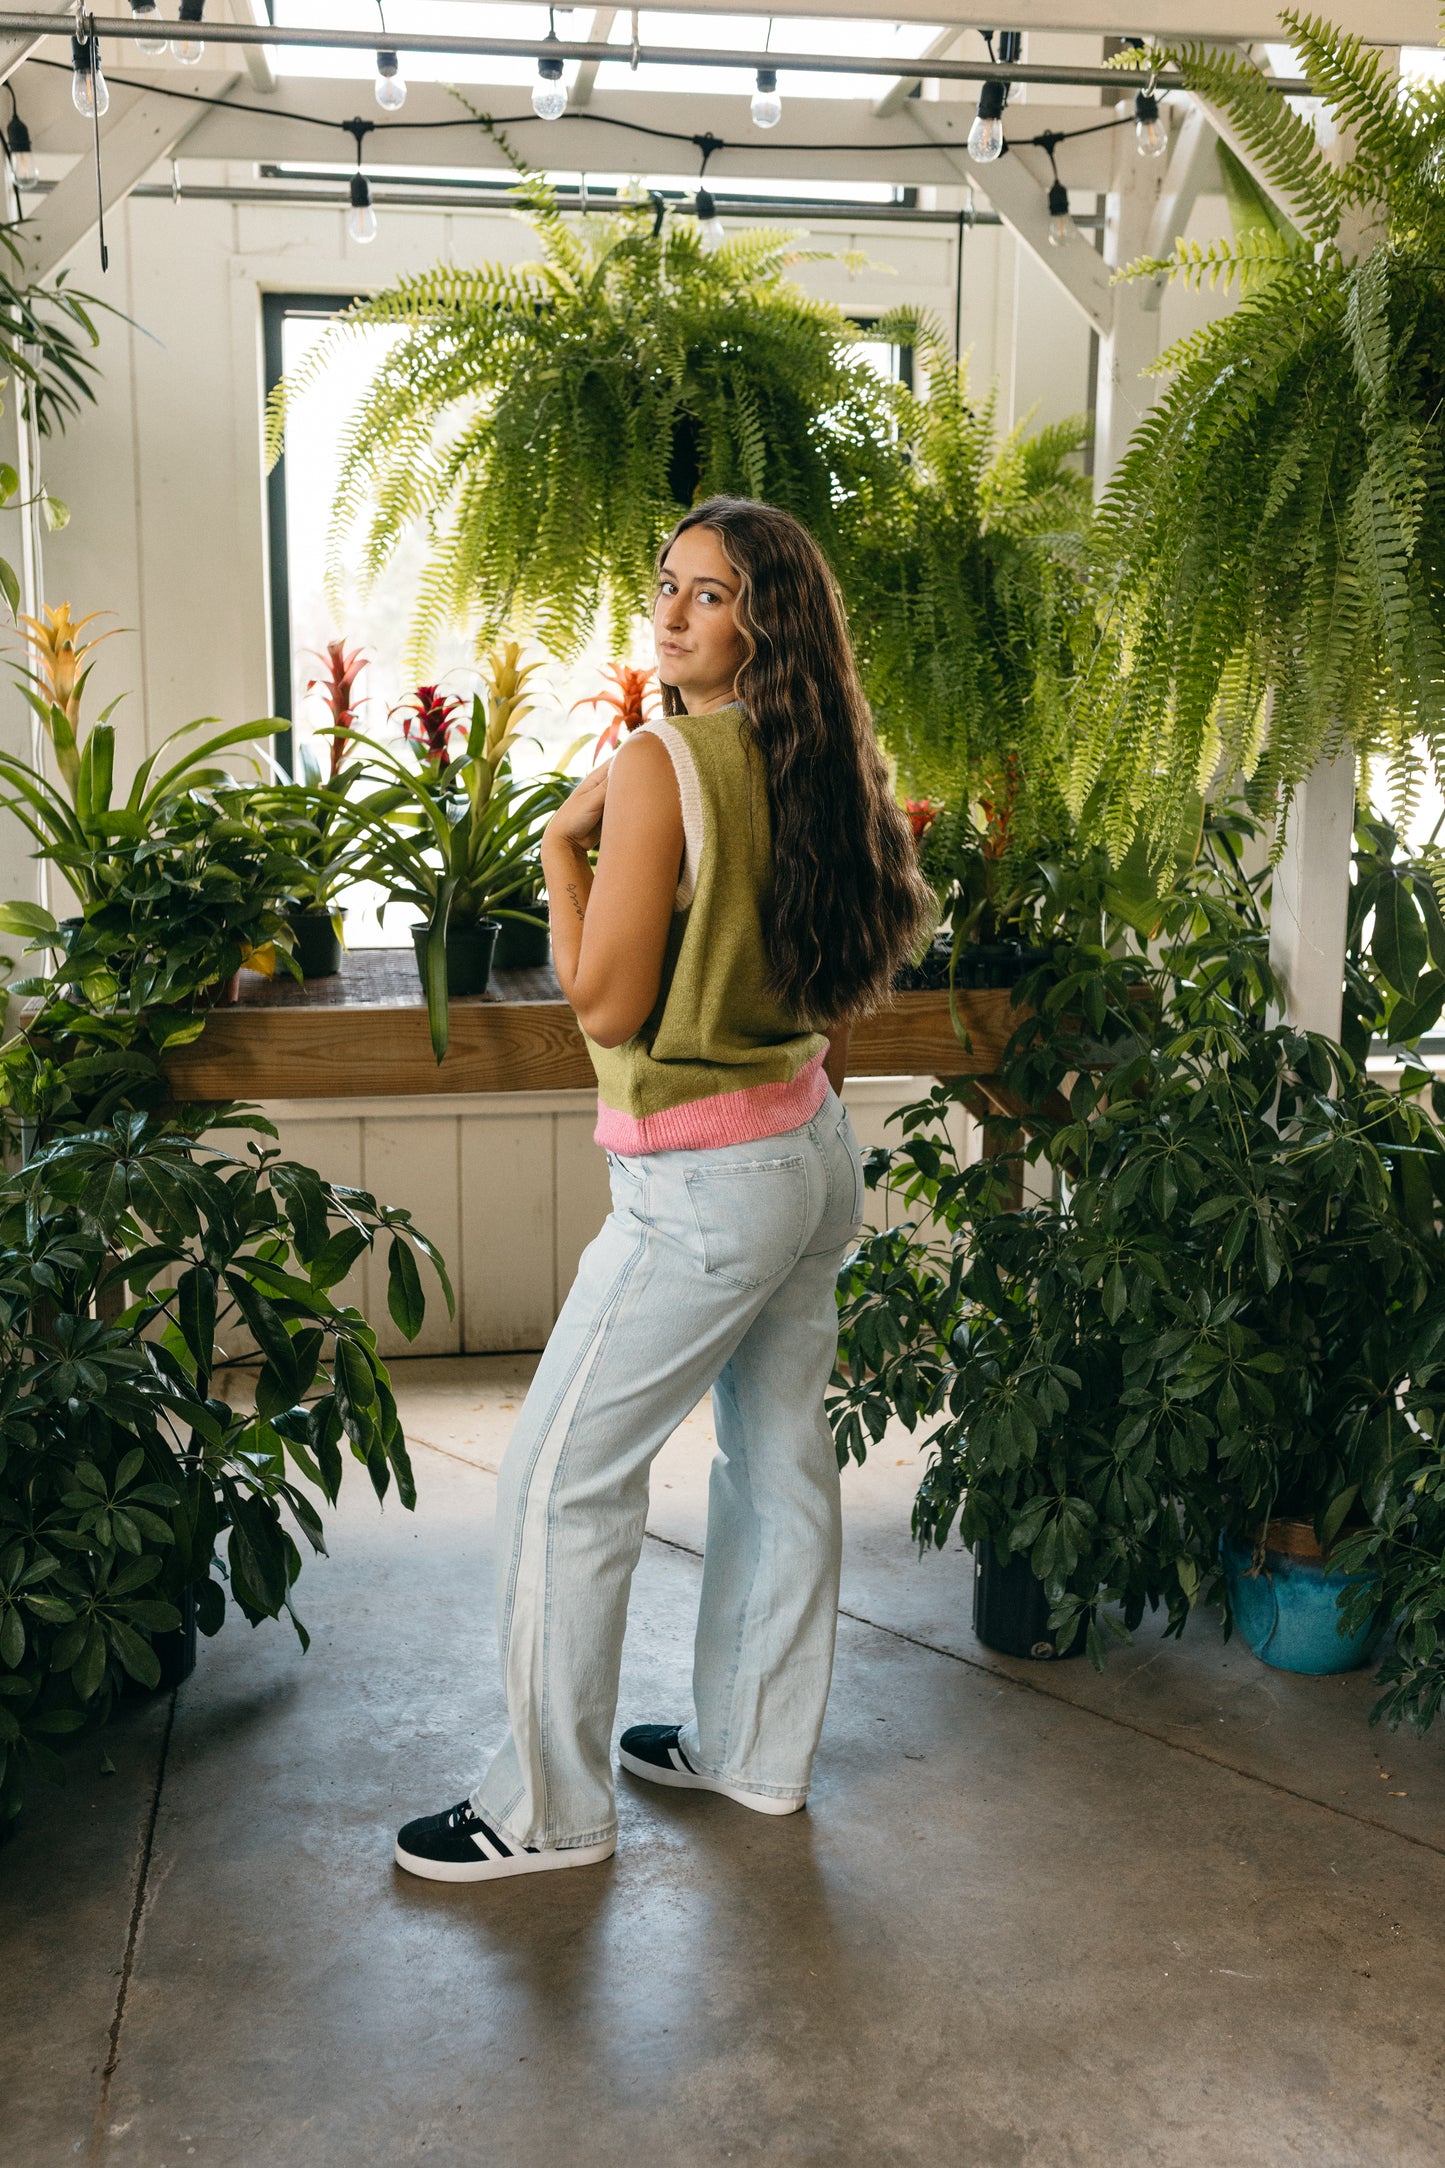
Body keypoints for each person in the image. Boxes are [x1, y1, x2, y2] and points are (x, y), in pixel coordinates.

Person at [396, 496, 935, 1882]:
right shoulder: (823, 759)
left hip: (701, 1183)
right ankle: (752, 1758)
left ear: (768, 618)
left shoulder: (657, 765)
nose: (673, 614)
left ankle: (540, 1814)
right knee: (774, 1462)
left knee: (556, 1485)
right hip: (808, 1152)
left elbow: (606, 1002)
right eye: (666, 587)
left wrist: (558, 857)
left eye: (709, 595)